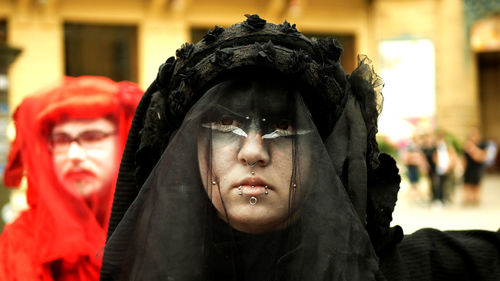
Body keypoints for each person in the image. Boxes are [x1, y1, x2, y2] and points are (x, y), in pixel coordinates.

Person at [100, 15, 500, 281]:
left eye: (282, 127)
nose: (253, 151)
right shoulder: (155, 270)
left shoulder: (411, 270)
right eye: (225, 125)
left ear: (322, 151)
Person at [0, 76, 142, 281]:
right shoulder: (22, 239)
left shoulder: (155, 222)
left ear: (123, 139)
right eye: (61, 139)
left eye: (92, 137)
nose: (73, 155)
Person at [462, 127, 488, 206]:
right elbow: (464, 158)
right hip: (468, 168)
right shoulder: (466, 146)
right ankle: (467, 199)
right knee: (467, 184)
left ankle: (475, 199)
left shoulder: (482, 145)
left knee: (476, 185)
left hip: (477, 168)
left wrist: (472, 148)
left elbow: (481, 157)